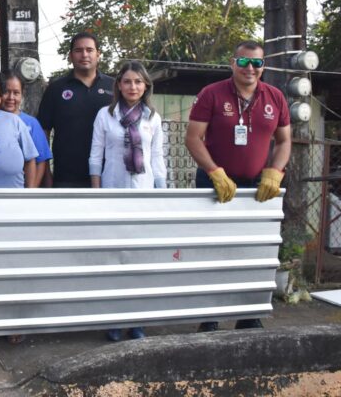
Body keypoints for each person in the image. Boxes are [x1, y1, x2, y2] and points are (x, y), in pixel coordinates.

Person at [185, 40, 291, 332]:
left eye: (256, 63)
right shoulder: (212, 94)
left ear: (263, 66)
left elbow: (284, 141)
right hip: (215, 183)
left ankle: (249, 314)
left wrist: (275, 170)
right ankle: (210, 317)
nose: (250, 68)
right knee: (214, 252)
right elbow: (193, 138)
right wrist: (213, 171)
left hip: (258, 187)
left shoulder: (275, 97)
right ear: (233, 63)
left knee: (255, 253)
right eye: (244, 62)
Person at [89, 60, 167, 342]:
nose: (132, 86)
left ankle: (137, 321)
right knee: (113, 259)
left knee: (140, 260)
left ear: (145, 85)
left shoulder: (152, 117)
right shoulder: (104, 115)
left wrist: (161, 193)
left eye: (137, 81)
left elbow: (157, 157)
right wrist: (97, 193)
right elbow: (96, 156)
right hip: (112, 193)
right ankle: (113, 318)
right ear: (118, 85)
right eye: (127, 81)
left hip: (143, 195)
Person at [37, 32, 115, 187]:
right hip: (66, 176)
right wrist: (46, 173)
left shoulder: (114, 87)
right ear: (70, 56)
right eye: (78, 50)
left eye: (89, 50)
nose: (84, 55)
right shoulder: (56, 89)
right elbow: (43, 133)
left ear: (98, 54)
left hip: (109, 175)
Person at [0, 69, 51, 188]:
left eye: (16, 93)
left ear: (22, 94)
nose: (11, 97)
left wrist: (30, 190)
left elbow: (41, 161)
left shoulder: (31, 123)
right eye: (6, 92)